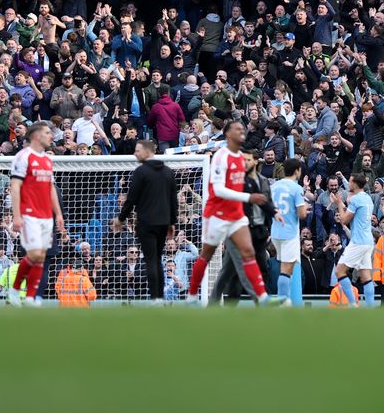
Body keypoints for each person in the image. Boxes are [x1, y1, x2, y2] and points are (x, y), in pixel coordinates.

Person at [185, 121, 272, 304]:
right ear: (227, 134)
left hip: (236, 215)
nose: (242, 131)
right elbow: (218, 190)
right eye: (238, 129)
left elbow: (238, 187)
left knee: (248, 252)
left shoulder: (241, 157)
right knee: (206, 255)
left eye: (243, 128)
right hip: (217, 214)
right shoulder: (221, 157)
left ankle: (263, 298)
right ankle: (192, 295)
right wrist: (249, 198)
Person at [8, 121, 67, 306]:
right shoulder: (23, 157)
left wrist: (58, 214)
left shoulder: (47, 160)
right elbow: (15, 186)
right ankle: (16, 289)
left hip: (46, 216)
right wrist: (16, 215)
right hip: (28, 214)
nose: (51, 136)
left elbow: (50, 188)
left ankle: (32, 297)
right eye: (47, 133)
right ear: (36, 136)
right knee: (33, 255)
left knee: (40, 257)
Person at [113, 139, 178, 303]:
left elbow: (131, 199)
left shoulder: (140, 172)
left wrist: (120, 219)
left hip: (147, 223)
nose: (135, 154)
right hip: (163, 223)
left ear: (148, 151)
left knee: (151, 260)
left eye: (137, 150)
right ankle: (160, 299)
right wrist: (172, 222)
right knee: (157, 259)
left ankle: (155, 299)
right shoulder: (168, 172)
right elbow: (173, 201)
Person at [269, 157, 308, 307]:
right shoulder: (296, 188)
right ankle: (283, 301)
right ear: (297, 171)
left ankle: (284, 299)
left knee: (285, 268)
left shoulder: (274, 186)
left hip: (276, 232)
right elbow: (302, 214)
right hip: (289, 233)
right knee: (286, 269)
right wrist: (305, 209)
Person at [332, 172, 375, 307]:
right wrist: (344, 205)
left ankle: (352, 304)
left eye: (350, 181)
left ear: (355, 184)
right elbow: (355, 214)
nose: (348, 184)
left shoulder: (356, 199)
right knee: (366, 276)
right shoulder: (367, 198)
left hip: (358, 241)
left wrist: (339, 203)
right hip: (368, 241)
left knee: (339, 271)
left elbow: (344, 220)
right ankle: (370, 309)